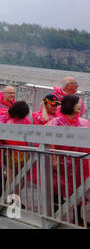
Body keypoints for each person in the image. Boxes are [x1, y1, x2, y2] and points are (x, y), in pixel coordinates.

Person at [46, 95, 89, 224]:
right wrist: (53, 159)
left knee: (79, 188)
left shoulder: (84, 122)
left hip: (80, 162)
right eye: (77, 103)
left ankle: (77, 216)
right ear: (70, 104)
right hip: (61, 162)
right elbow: (48, 140)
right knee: (58, 187)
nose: (80, 105)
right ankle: (55, 216)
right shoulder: (55, 122)